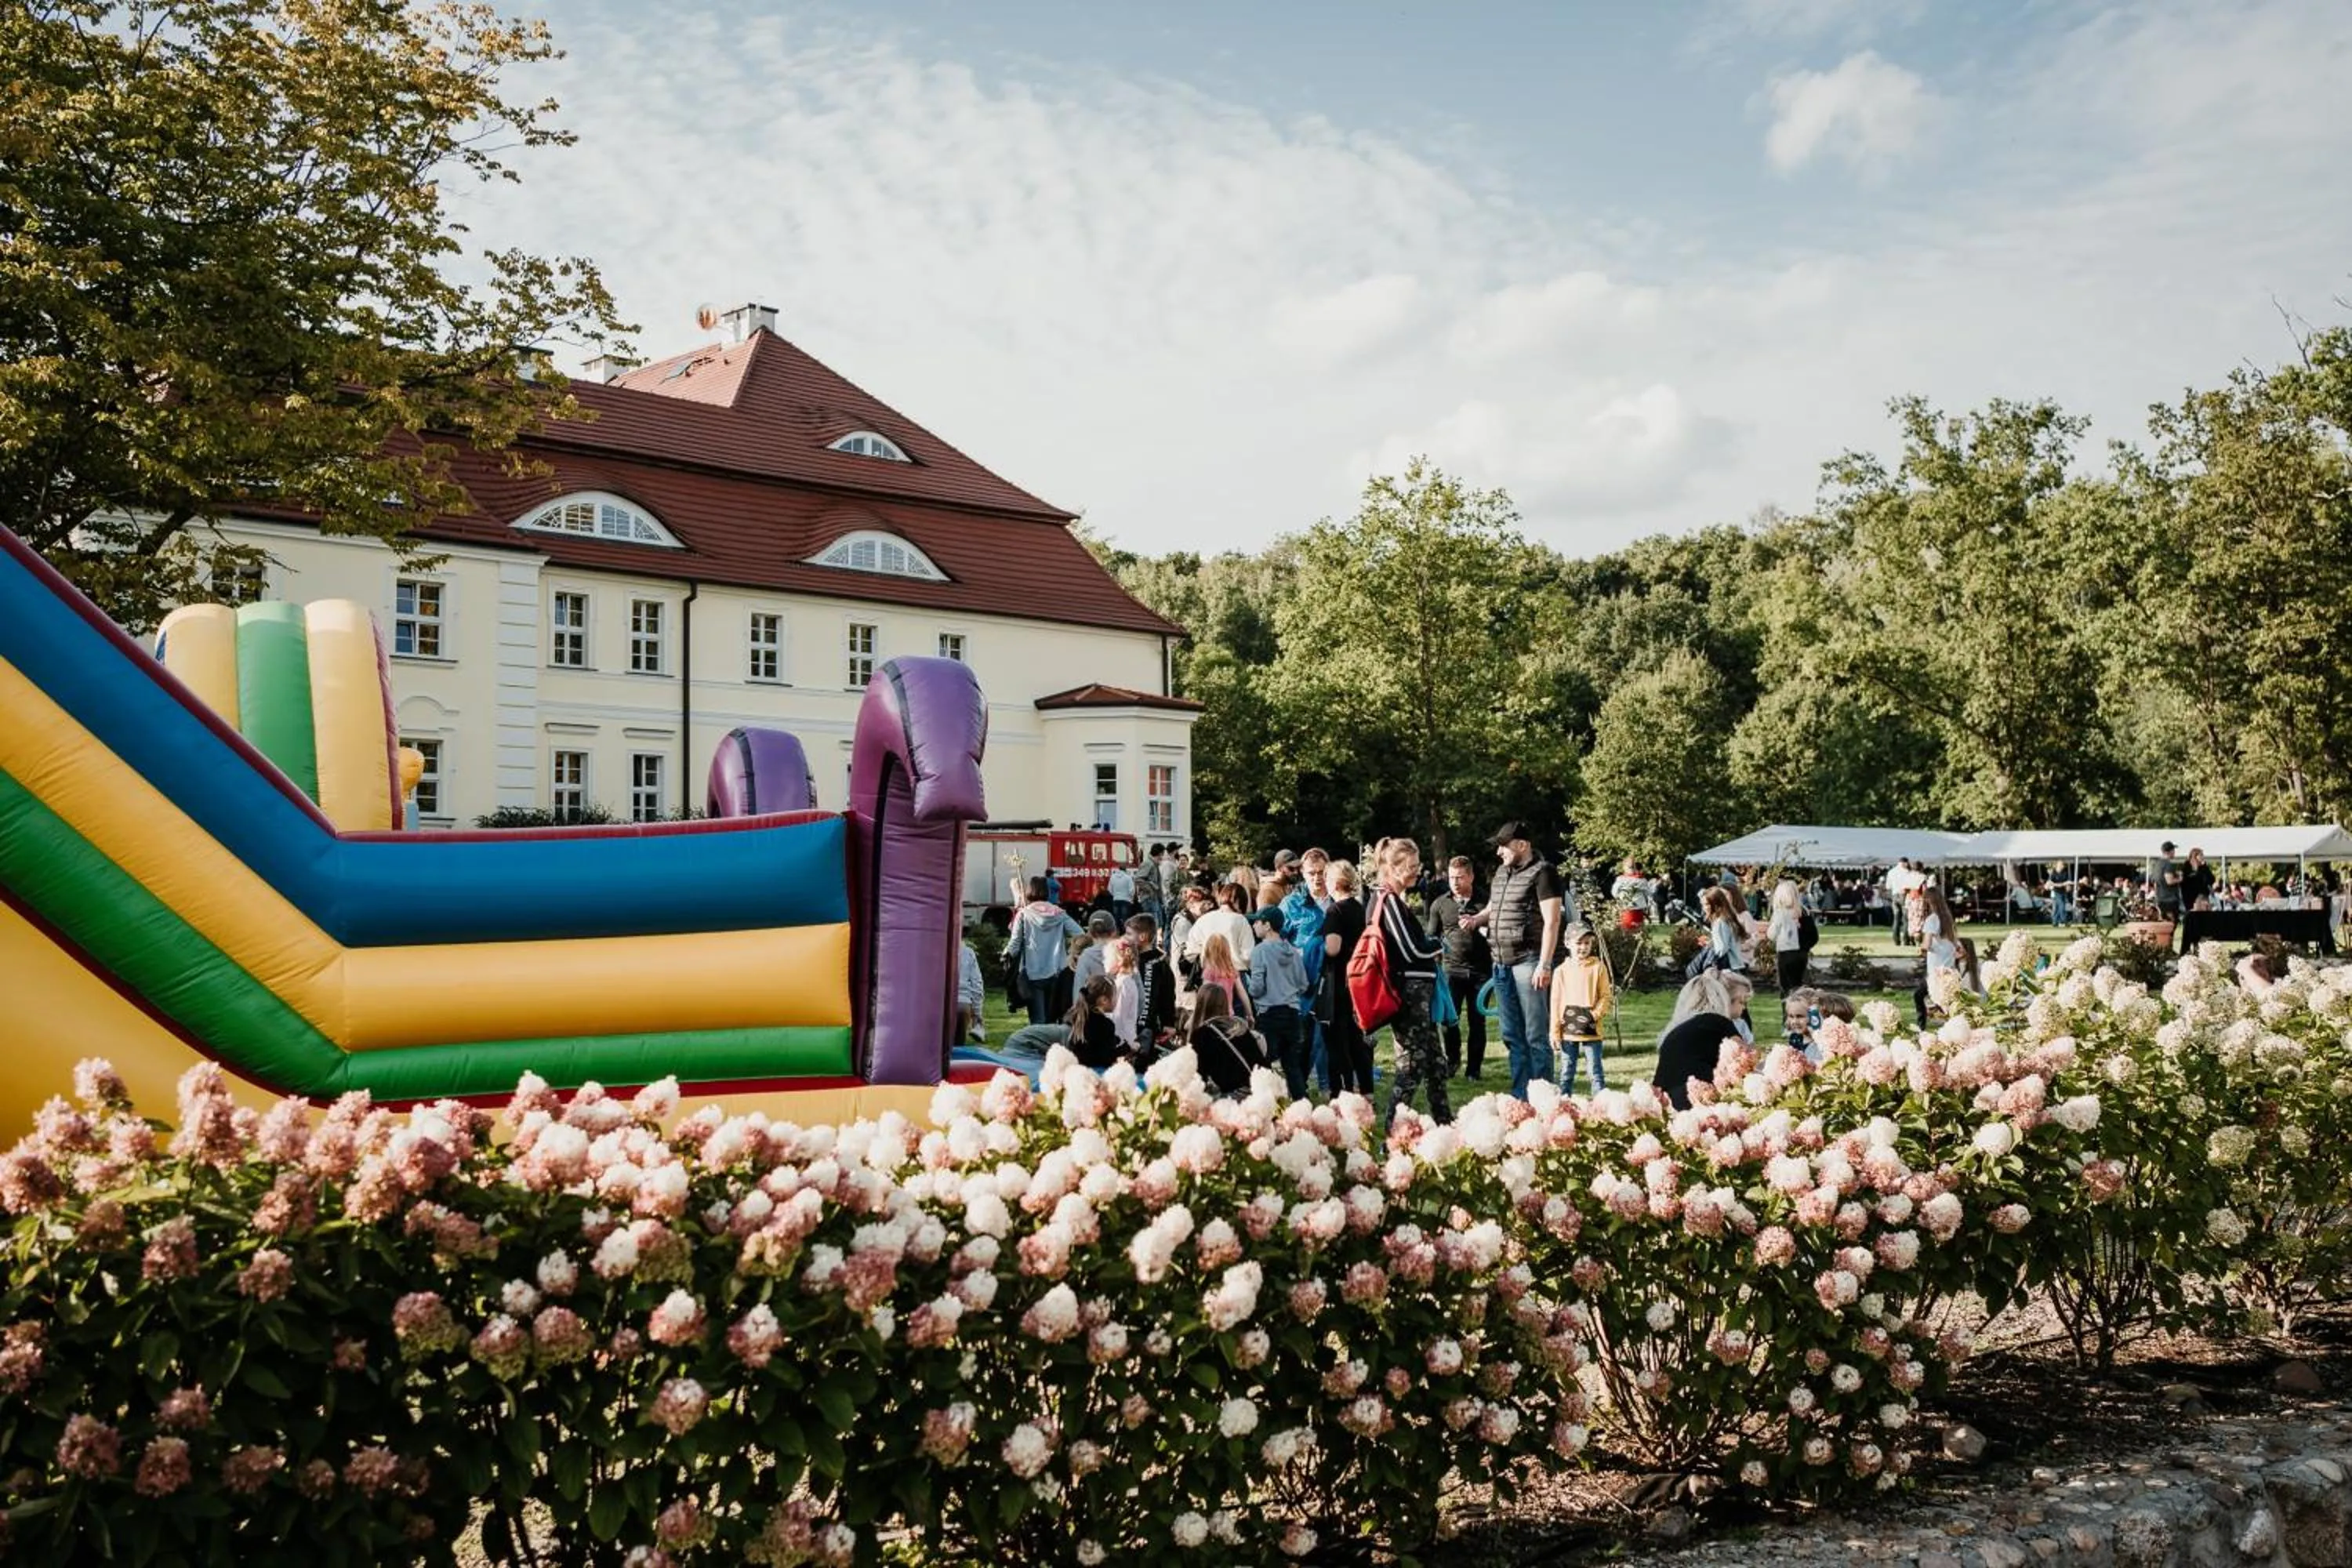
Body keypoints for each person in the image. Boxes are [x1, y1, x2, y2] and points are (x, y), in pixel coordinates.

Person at [1464, 821, 1563, 1101]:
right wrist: (1477, 919)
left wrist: (1544, 964)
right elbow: (1496, 905)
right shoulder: (1502, 873)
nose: (1499, 852)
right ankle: (1521, 1096)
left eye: (1503, 846)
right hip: (1501, 963)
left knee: (1535, 1037)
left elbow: (1552, 921)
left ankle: (1543, 1097)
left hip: (1529, 962)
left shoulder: (1543, 873)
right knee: (1512, 1036)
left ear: (1522, 845)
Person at [1374, 839, 1451, 1126]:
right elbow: (1411, 951)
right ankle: (1392, 1130)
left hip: (1421, 995)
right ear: (1393, 868)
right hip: (1409, 996)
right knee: (1412, 1067)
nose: (1417, 872)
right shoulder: (1388, 901)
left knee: (1436, 1064)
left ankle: (1446, 1123)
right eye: (1411, 867)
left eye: (1417, 866)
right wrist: (1437, 945)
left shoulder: (1398, 901)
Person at [1425, 855, 1489, 1078]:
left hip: (1481, 971)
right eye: (1452, 878)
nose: (1455, 882)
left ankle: (1474, 1070)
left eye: (1460, 877)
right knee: (1448, 1020)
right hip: (1452, 970)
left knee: (1477, 1022)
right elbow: (1431, 938)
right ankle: (1452, 1062)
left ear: (1470, 876)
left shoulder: (1486, 900)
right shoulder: (1440, 904)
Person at [1653, 971, 1749, 1111]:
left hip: (1667, 1101)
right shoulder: (1719, 1021)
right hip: (1701, 1095)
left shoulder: (1673, 1033)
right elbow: (1744, 1058)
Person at [1245, 906, 1311, 1098]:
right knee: (1292, 1067)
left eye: (1257, 922)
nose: (1254, 926)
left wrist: (1249, 988)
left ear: (1267, 926)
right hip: (1292, 1013)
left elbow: (1257, 988)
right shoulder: (1292, 951)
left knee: (1263, 1064)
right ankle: (1302, 1105)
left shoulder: (1260, 951)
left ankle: (1266, 1104)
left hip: (1269, 1014)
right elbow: (1304, 984)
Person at [1321, 859, 1372, 1095]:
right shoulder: (1360, 908)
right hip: (1360, 980)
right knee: (1358, 1040)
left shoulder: (1335, 911)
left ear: (1334, 883)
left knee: (1337, 1042)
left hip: (1339, 981)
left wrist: (1315, 947)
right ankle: (1367, 1091)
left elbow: (1333, 947)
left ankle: (1342, 1091)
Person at [1003, 878, 1084, 1025]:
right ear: (1047, 892)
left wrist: (1006, 954)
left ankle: (1039, 1046)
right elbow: (1080, 933)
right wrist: (1071, 952)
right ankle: (1053, 1046)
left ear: (1029, 891)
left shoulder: (1024, 914)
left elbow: (1014, 944)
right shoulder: (1059, 914)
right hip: (1057, 971)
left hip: (1032, 973)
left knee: (1038, 1021)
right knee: (1054, 1019)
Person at [1284, 850, 1332, 1090]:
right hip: (1302, 981)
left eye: (1322, 872)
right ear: (1303, 874)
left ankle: (1327, 1087)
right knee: (1302, 1038)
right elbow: (1277, 940)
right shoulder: (1292, 904)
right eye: (1312, 873)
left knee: (1327, 1037)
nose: (1317, 878)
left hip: (1333, 977)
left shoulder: (1338, 900)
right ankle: (1298, 1087)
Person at [1548, 925, 1614, 1096]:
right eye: (1579, 943)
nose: (1583, 947)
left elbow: (1606, 996)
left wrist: (1593, 1016)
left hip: (1592, 1031)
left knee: (1595, 1072)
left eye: (1587, 943)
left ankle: (1601, 1105)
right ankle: (1563, 1104)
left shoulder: (1598, 968)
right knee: (1566, 1072)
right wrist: (1555, 1032)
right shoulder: (1561, 971)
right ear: (1567, 943)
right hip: (1567, 1032)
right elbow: (1555, 1002)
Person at [1186, 982, 1269, 1095]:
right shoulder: (1238, 1027)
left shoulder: (1201, 1035)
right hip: (1262, 1088)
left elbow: (1199, 1078)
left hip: (1235, 1095)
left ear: (1201, 1005)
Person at [1125, 913, 1180, 1051]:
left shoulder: (1157, 964)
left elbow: (1167, 996)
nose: (1125, 938)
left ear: (1142, 937)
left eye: (1129, 934)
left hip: (1146, 1029)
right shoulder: (1128, 959)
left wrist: (1169, 1022)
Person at [1185, 881, 1257, 972]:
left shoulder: (1203, 920)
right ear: (1240, 901)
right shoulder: (1241, 920)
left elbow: (1191, 951)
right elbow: (1248, 954)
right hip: (1235, 974)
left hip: (1209, 975)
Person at [1915, 884, 1959, 1029]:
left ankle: (1921, 1027)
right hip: (1949, 968)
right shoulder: (1948, 919)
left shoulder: (1932, 920)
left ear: (1928, 901)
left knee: (1919, 996)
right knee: (1945, 1001)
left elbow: (1926, 945)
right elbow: (1957, 945)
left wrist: (1920, 948)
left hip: (1936, 970)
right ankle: (1951, 1025)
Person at [1062, 976, 1125, 1069]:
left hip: (1071, 1070)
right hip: (1092, 1072)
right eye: (1115, 995)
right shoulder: (1105, 1025)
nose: (1117, 999)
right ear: (1104, 1000)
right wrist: (1126, 1048)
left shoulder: (1073, 1015)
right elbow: (1107, 1058)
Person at [1198, 931, 1251, 1024]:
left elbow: (1205, 994)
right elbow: (1242, 992)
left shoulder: (1209, 971)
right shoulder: (1231, 970)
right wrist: (1249, 1013)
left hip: (1213, 1016)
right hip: (1229, 1013)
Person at [1766, 878, 1807, 994]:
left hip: (1785, 952)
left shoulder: (1780, 913)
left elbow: (1772, 934)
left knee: (1786, 987)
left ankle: (1788, 1010)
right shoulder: (1799, 911)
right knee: (1797, 985)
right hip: (1798, 953)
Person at [1700, 886, 1746, 975]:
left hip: (1725, 968)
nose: (1703, 908)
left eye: (1706, 904)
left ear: (1715, 905)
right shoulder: (1728, 919)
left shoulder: (1719, 922)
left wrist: (1711, 948)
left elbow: (1721, 949)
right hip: (1735, 965)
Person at [1072, 910, 1120, 992]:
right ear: (1113, 931)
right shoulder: (1125, 954)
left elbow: (1080, 991)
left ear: (1090, 932)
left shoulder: (1085, 957)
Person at [1107, 938, 1141, 1047]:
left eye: (1108, 958)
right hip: (1125, 1036)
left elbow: (1119, 1016)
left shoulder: (1123, 984)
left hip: (1122, 1040)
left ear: (1118, 961)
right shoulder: (1125, 981)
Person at [957, 938, 986, 1043]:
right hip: (962, 1003)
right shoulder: (968, 953)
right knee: (957, 1051)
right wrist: (977, 1014)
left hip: (937, 1005)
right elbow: (977, 984)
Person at [2153, 842, 2183, 923]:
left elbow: (2155, 884)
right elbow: (2169, 881)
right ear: (2168, 852)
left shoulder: (2157, 864)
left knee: (2164, 923)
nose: (2174, 852)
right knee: (2172, 923)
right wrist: (2180, 878)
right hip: (2170, 899)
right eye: (2173, 850)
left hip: (2160, 898)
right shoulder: (2168, 864)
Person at [2182, 847, 2216, 912]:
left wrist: (2205, 866)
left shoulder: (2203, 867)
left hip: (2204, 895)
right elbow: (2186, 880)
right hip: (2192, 897)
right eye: (2201, 855)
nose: (2203, 857)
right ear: (2195, 856)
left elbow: (2212, 879)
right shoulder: (2187, 866)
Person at [1107, 857, 1136, 927]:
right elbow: (1132, 890)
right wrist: (1131, 898)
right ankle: (1125, 932)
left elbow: (1109, 889)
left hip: (1116, 900)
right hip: (1126, 901)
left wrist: (1115, 895)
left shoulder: (1113, 877)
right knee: (1125, 918)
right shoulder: (1128, 878)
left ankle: (1116, 932)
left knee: (1116, 918)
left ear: (1118, 868)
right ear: (1125, 869)